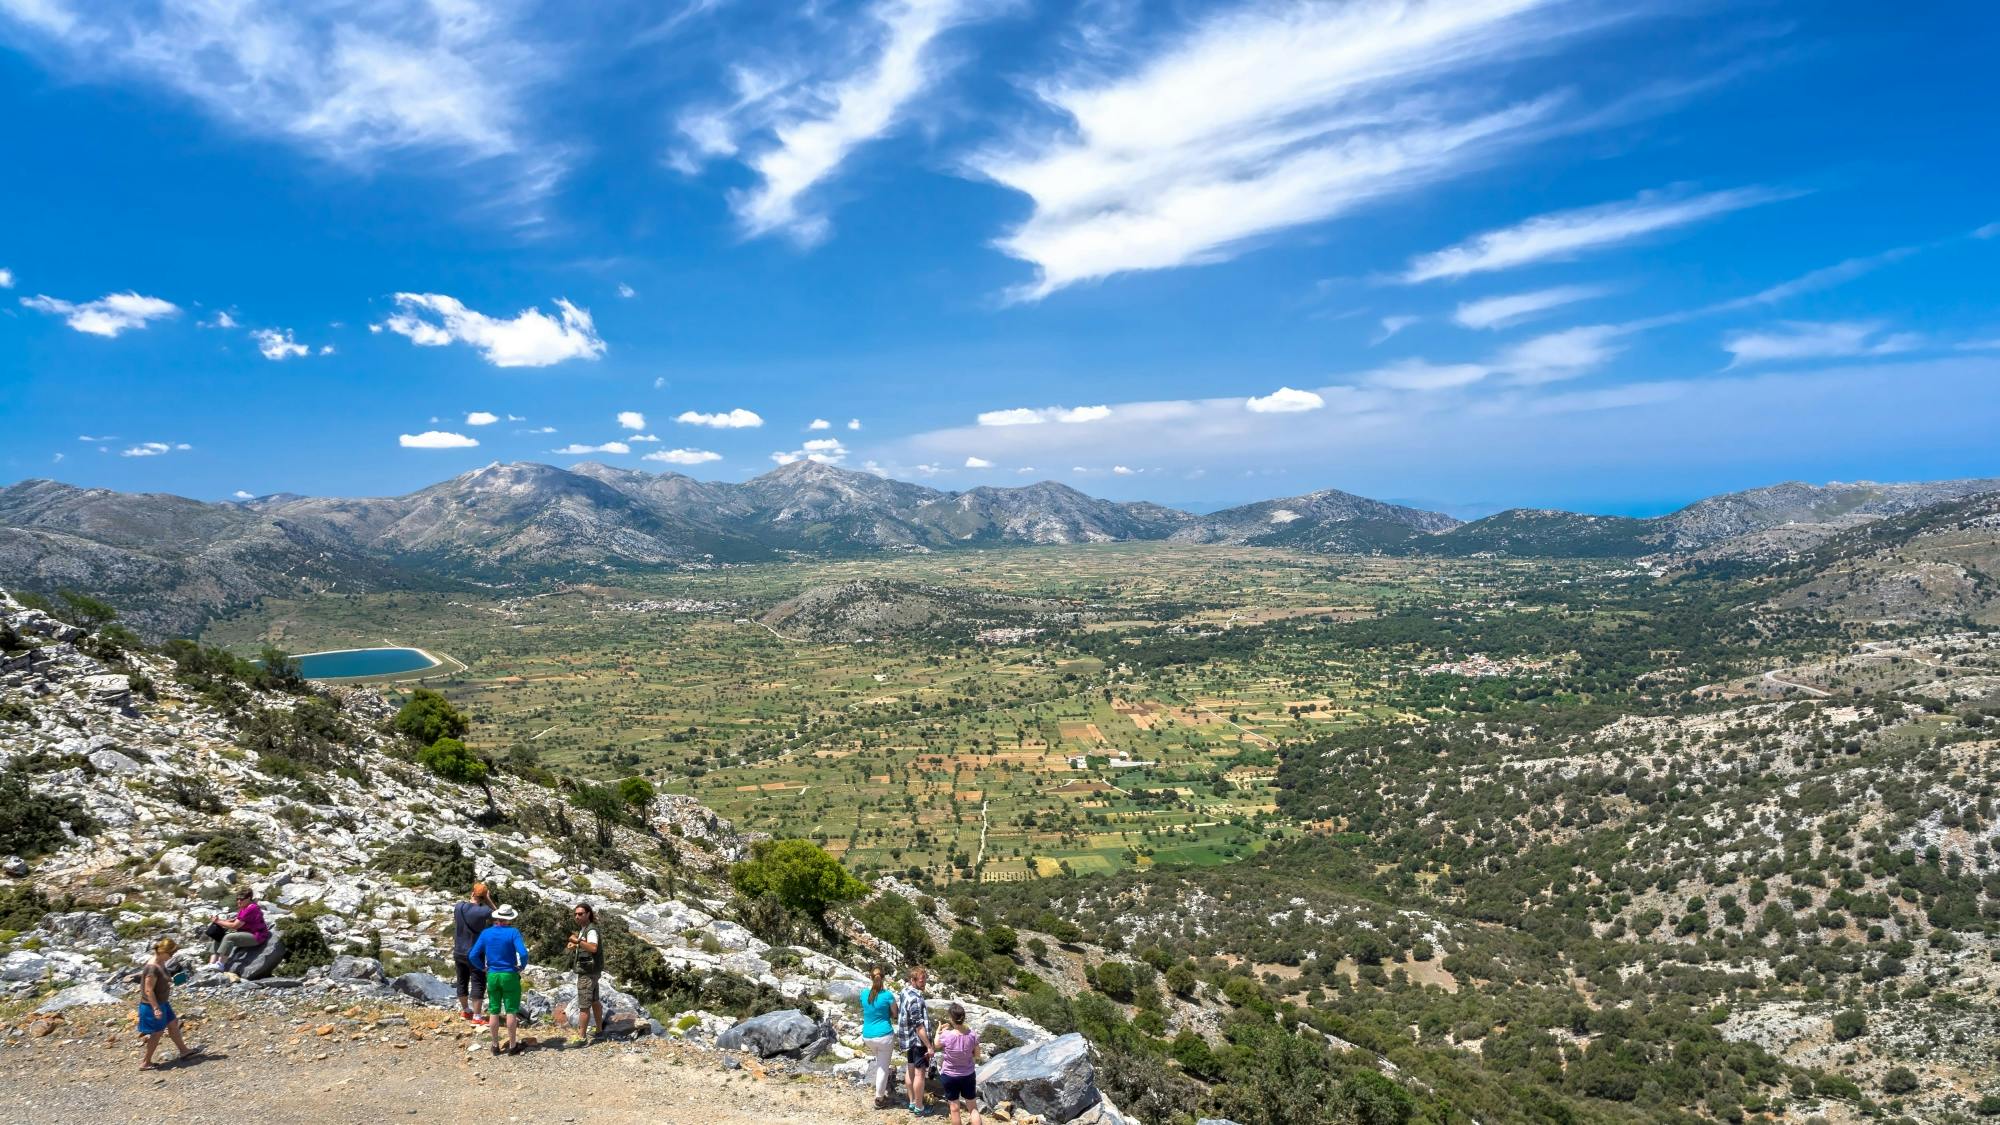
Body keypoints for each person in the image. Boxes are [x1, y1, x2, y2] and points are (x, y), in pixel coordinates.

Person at [467, 902, 529, 1056]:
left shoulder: (486, 933)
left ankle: (495, 1045)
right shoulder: (513, 932)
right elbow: (523, 953)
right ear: (509, 918)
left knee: (494, 1010)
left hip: (493, 975)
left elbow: (473, 955)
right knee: (511, 1010)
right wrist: (521, 966)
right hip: (509, 975)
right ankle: (513, 1045)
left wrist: (482, 967)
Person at [137, 938, 202, 1071]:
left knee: (173, 1024)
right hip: (152, 1005)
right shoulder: (152, 968)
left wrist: (173, 981)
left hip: (163, 1002)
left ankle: (184, 1051)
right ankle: (145, 1062)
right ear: (163, 951)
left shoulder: (161, 962)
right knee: (157, 1033)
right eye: (170, 953)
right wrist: (156, 1008)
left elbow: (161, 980)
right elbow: (148, 990)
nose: (171, 956)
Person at [452, 883, 495, 1024]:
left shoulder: (459, 906)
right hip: (475, 952)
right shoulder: (484, 911)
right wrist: (488, 900)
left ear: (472, 893)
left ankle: (466, 1010)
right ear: (484, 897)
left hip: (458, 950)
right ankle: (477, 1016)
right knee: (478, 982)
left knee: (462, 981)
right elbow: (498, 915)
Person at [935, 1003, 983, 1125]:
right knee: (973, 1108)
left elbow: (936, 1044)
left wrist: (938, 1031)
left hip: (949, 1076)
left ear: (951, 1018)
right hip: (968, 1075)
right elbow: (977, 1055)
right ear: (963, 1017)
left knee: (954, 1109)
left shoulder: (946, 1035)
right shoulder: (972, 1034)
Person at [859, 963, 899, 1108]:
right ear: (883, 978)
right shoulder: (888, 995)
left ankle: (880, 1089)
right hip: (884, 1035)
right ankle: (879, 1098)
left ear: (870, 978)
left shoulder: (864, 994)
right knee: (883, 1067)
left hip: (867, 1036)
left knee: (879, 1061)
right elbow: (895, 1014)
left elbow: (867, 1009)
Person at [565, 902, 604, 1046]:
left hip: (587, 973)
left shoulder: (591, 930)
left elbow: (593, 948)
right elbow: (586, 946)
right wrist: (576, 945)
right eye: (575, 914)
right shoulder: (585, 929)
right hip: (592, 971)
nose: (577, 916)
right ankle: (599, 1030)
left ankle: (581, 1038)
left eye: (580, 914)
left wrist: (577, 941)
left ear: (588, 914)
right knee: (594, 1000)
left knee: (584, 1005)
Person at [899, 965, 936, 1115]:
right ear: (913, 980)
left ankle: (912, 1102)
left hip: (908, 1039)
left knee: (910, 1070)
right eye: (921, 980)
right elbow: (919, 1026)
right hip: (918, 1042)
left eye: (925, 979)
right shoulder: (915, 999)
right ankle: (919, 1107)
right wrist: (929, 1046)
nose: (924, 982)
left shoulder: (904, 992)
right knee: (920, 1074)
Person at [208, 887, 269, 969]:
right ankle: (211, 964)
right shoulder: (243, 907)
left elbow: (235, 926)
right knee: (218, 935)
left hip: (256, 936)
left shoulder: (252, 908)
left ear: (249, 898)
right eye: (238, 899)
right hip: (246, 933)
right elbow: (238, 920)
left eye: (242, 899)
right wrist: (223, 921)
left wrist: (217, 921)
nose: (239, 901)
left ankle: (220, 964)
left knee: (229, 937)